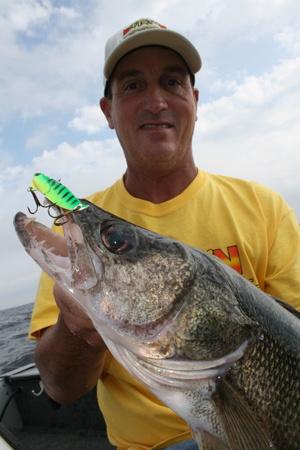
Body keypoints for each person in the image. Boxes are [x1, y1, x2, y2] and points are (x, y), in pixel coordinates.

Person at [29, 18, 300, 450]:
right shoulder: (78, 236)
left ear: (192, 100)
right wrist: (77, 327)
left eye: (171, 82)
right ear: (108, 112)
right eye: (133, 86)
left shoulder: (264, 208)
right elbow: (61, 388)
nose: (155, 102)